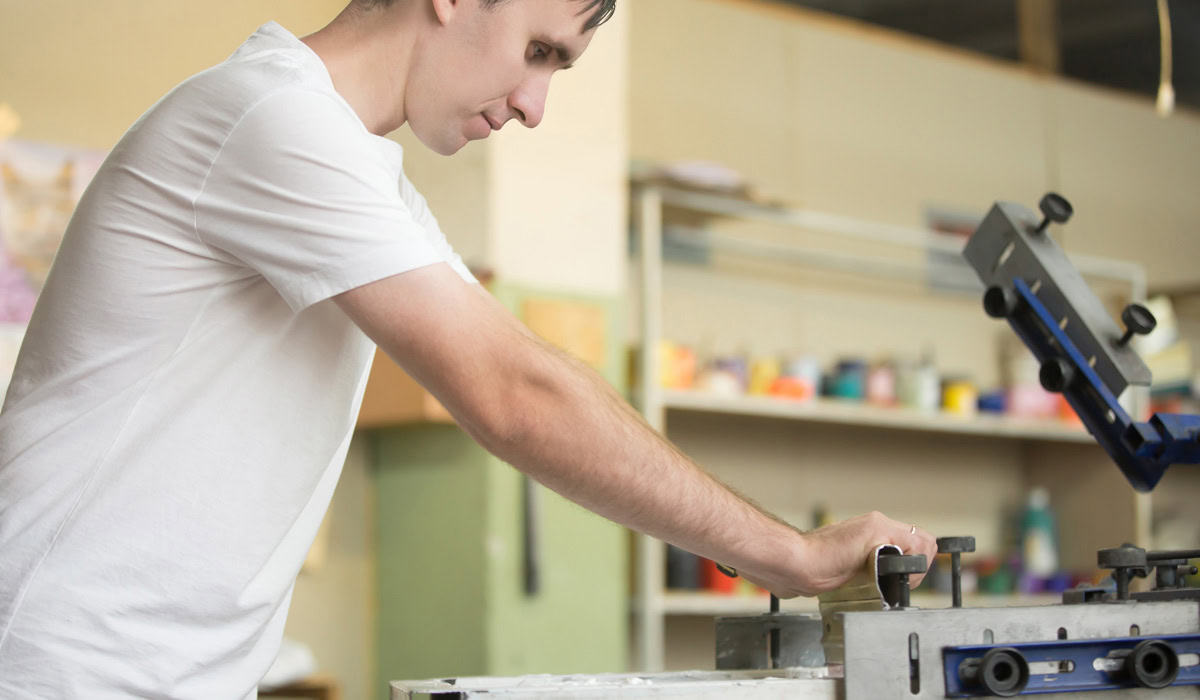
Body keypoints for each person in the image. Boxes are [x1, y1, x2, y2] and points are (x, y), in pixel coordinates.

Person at [0, 0, 938, 696]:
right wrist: (793, 557)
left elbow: (529, 368)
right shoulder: (268, 120)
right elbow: (517, 399)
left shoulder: (364, 175)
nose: (534, 106)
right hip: (67, 669)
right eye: (538, 52)